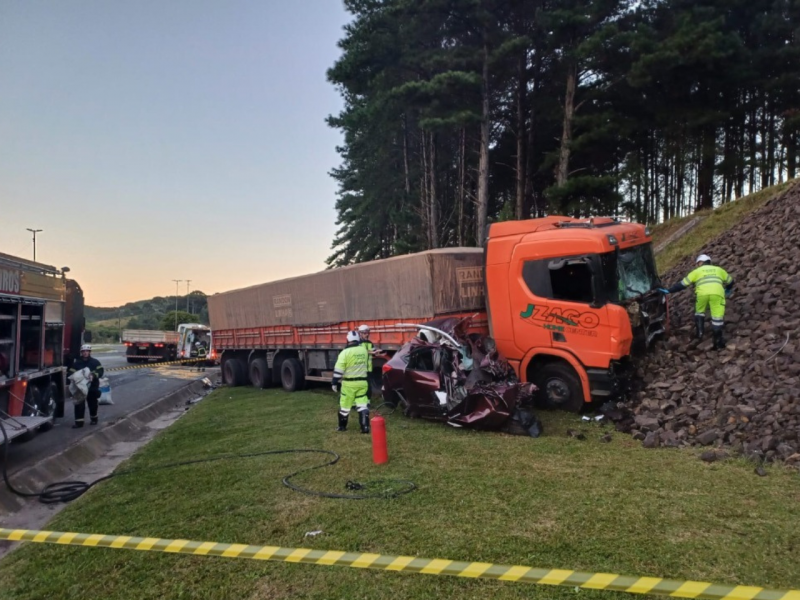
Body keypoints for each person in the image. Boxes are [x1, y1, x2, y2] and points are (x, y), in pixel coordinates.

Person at [659, 254, 734, 350]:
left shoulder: (696, 272)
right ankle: (718, 342)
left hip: (702, 295)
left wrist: (669, 290)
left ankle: (700, 334)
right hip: (717, 294)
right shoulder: (719, 270)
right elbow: (731, 281)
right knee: (717, 318)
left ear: (700, 263)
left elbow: (682, 284)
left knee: (699, 312)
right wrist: (728, 289)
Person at [331, 330, 371, 433]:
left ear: (348, 340)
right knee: (362, 404)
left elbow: (339, 370)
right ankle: (365, 427)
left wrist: (334, 382)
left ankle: (342, 427)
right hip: (363, 383)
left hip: (349, 384)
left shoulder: (344, 353)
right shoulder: (363, 351)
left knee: (345, 406)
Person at [68, 344, 104, 427]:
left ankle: (94, 419)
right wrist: (73, 377)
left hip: (92, 387)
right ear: (81, 352)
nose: (85, 353)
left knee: (93, 404)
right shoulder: (77, 363)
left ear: (90, 352)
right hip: (80, 388)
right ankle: (79, 422)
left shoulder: (95, 362)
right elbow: (71, 372)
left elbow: (100, 371)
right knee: (79, 404)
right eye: (83, 351)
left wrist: (93, 375)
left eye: (87, 351)